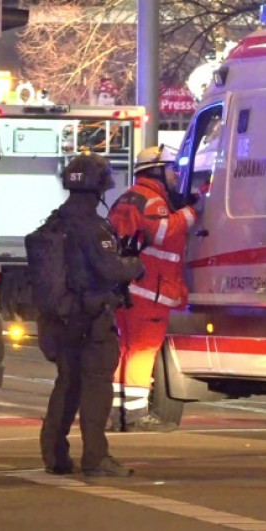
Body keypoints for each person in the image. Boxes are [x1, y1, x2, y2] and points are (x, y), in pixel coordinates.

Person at [36, 153, 145, 477]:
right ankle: (96, 458)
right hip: (93, 318)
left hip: (62, 318)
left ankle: (55, 455)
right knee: (96, 387)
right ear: (100, 186)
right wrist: (135, 265)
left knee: (66, 385)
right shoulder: (93, 226)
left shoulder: (55, 221)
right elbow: (109, 267)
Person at [107, 145, 204, 432]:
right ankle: (135, 417)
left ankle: (119, 414)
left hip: (129, 289)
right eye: (172, 169)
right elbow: (161, 233)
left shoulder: (128, 198)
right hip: (150, 290)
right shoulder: (153, 201)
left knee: (125, 350)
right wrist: (191, 212)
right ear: (157, 170)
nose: (176, 175)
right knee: (142, 351)